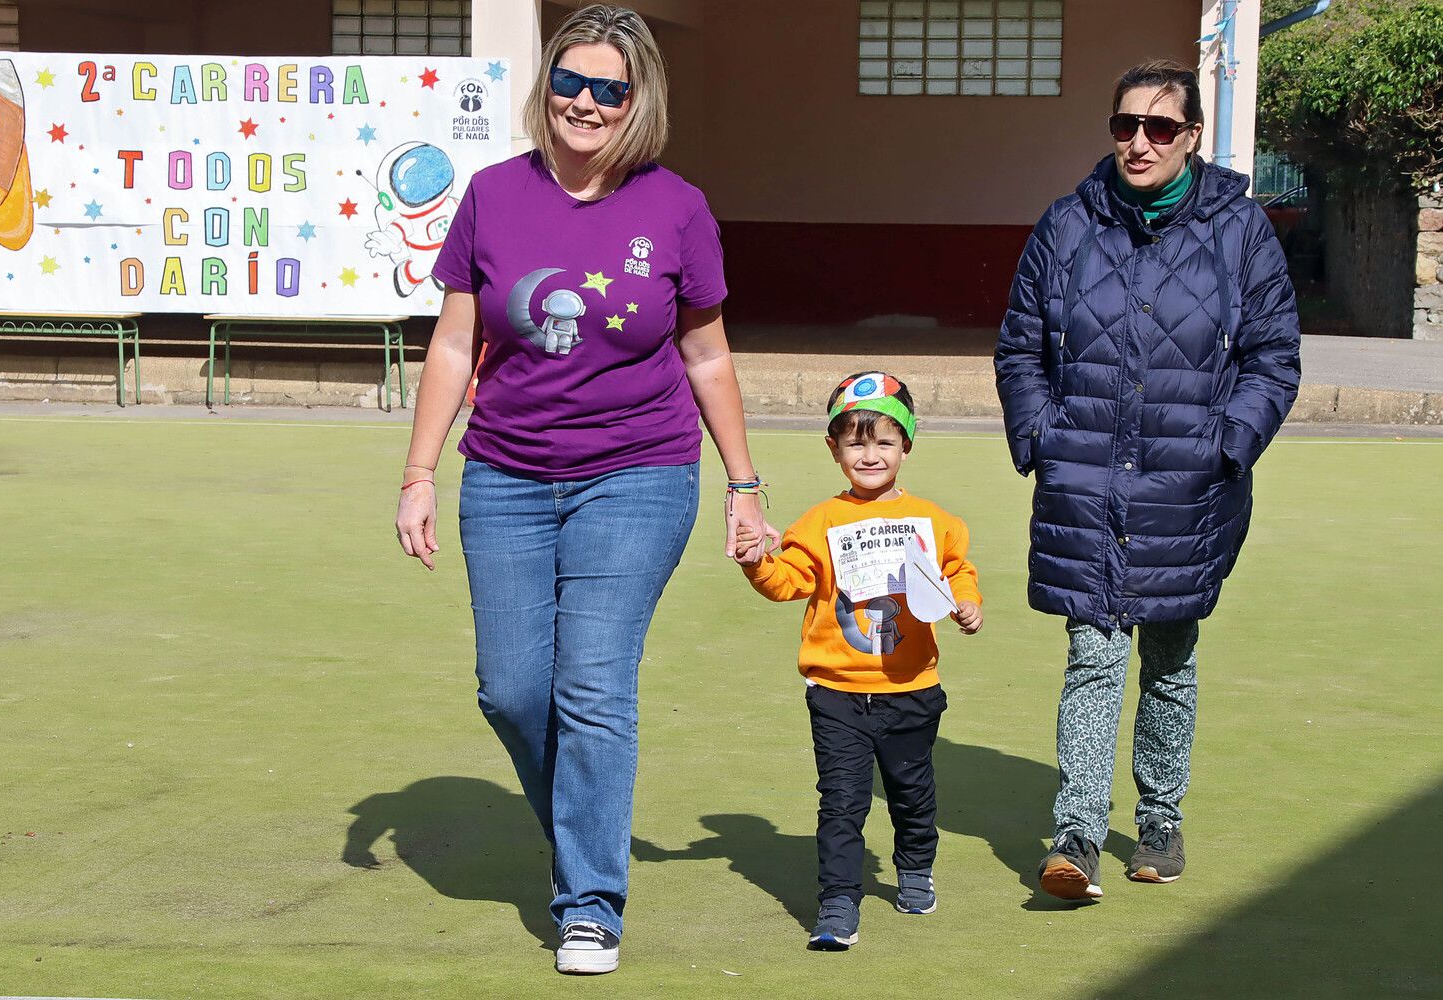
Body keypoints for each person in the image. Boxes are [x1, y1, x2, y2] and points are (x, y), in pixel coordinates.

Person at [393, 4, 777, 975]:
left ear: (638, 98)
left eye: (610, 88)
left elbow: (707, 354)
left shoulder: (677, 208)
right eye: (572, 81)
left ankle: (590, 903)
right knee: (514, 689)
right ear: (546, 85)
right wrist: (419, 471)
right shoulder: (489, 197)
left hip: (639, 472)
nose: (587, 102)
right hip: (508, 474)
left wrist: (744, 485)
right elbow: (451, 342)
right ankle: (579, 828)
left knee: (593, 684)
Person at [994, 59, 1301, 901]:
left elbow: (1272, 356)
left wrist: (1228, 444)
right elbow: (1021, 346)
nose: (1139, 143)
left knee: (1170, 653)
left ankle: (1160, 819)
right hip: (1084, 478)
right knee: (1092, 654)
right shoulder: (1066, 226)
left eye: (1160, 128)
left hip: (1189, 483)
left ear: (1192, 136)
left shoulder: (1241, 231)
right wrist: (1041, 438)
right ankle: (1079, 833)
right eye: (1125, 126)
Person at [734, 373, 982, 950]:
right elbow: (787, 582)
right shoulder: (819, 522)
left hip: (913, 689)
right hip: (836, 693)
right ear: (834, 449)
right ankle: (838, 901)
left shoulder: (934, 520)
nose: (870, 455)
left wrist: (966, 603)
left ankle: (915, 868)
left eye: (884, 442)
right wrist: (755, 561)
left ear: (907, 446)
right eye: (855, 442)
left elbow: (956, 571)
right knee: (841, 802)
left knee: (911, 792)